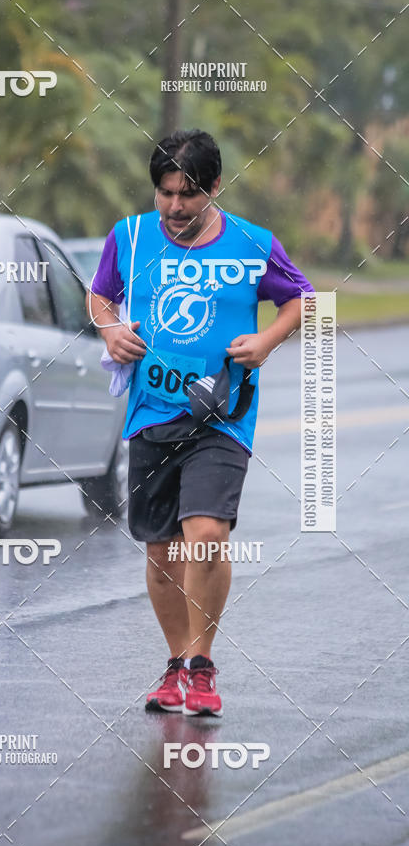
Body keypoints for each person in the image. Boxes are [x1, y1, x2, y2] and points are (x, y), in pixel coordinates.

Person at [87, 129, 313, 716]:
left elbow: (304, 300)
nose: (175, 208)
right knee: (161, 554)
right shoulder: (130, 238)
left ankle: (203, 665)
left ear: (214, 187)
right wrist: (111, 331)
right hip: (151, 414)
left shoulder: (251, 243)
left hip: (221, 415)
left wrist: (265, 340)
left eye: (188, 194)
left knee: (207, 534)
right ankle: (175, 662)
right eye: (165, 194)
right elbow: (101, 296)